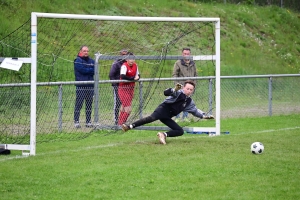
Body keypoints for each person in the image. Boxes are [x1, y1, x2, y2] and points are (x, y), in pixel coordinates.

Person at [121, 80, 214, 145]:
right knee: (151, 118)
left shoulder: (189, 102)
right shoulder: (178, 92)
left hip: (167, 116)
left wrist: (203, 116)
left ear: (193, 91)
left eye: (191, 89)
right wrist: (175, 89)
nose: (188, 91)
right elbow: (166, 92)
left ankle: (163, 135)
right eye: (187, 88)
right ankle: (129, 126)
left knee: (180, 131)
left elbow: (195, 111)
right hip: (163, 109)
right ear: (184, 88)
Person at [172, 47, 198, 123]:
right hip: (181, 87)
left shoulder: (193, 63)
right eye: (185, 54)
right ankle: (177, 117)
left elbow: (196, 75)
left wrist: (193, 85)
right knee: (178, 102)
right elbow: (174, 75)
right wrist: (178, 85)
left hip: (190, 87)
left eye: (188, 54)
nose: (186, 55)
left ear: (190, 54)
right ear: (182, 54)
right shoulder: (178, 63)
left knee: (187, 102)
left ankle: (185, 117)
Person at [74, 45, 95, 128]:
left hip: (90, 86)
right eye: (84, 51)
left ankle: (88, 121)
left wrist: (89, 70)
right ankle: (76, 121)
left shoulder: (92, 61)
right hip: (81, 86)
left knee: (89, 104)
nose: (86, 52)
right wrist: (90, 69)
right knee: (79, 104)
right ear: (80, 51)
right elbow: (82, 70)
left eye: (87, 51)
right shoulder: (77, 60)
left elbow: (94, 70)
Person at [117, 52, 140, 125]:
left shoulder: (135, 65)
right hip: (123, 89)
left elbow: (138, 75)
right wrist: (132, 78)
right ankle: (122, 124)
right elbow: (123, 76)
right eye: (130, 59)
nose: (132, 61)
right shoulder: (124, 66)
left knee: (124, 107)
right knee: (128, 109)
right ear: (127, 59)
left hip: (131, 89)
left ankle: (119, 123)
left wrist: (138, 77)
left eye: (133, 59)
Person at [109, 49, 128, 125]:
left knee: (125, 103)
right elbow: (111, 75)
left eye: (126, 55)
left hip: (126, 87)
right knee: (117, 102)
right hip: (118, 86)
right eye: (123, 55)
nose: (125, 56)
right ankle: (116, 119)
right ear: (120, 55)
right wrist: (115, 85)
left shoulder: (128, 63)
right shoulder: (116, 63)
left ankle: (123, 119)